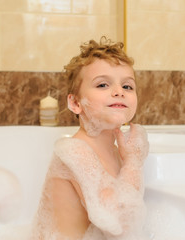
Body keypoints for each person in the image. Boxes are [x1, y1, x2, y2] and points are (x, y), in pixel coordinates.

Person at [30, 37, 149, 240]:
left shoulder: (118, 151)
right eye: (103, 85)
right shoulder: (74, 151)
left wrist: (131, 160)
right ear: (76, 103)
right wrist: (133, 163)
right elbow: (121, 224)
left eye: (128, 86)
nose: (119, 91)